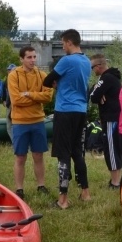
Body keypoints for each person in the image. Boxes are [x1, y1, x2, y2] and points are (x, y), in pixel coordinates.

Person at [43, 29, 92, 209]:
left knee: (63, 154)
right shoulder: (86, 61)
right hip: (81, 110)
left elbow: (47, 81)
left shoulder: (66, 60)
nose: (62, 46)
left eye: (63, 43)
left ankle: (63, 199)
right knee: (77, 152)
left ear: (70, 42)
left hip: (65, 110)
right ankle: (85, 192)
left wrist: (57, 83)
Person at [7, 46, 54, 199]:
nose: (33, 60)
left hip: (38, 120)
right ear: (21, 59)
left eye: (34, 57)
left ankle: (41, 185)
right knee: (20, 157)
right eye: (29, 57)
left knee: (38, 155)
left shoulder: (42, 75)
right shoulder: (14, 76)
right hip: (20, 122)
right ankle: (19, 189)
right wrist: (36, 97)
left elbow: (48, 97)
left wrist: (28, 94)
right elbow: (16, 100)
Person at [89, 53, 122, 189]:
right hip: (113, 118)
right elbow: (94, 92)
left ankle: (115, 182)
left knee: (111, 150)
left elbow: (93, 96)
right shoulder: (111, 77)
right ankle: (115, 180)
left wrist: (96, 92)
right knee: (112, 148)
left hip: (111, 119)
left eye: (93, 68)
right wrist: (96, 90)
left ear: (99, 66)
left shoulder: (106, 78)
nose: (92, 71)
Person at [5, 63, 17, 141]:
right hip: (10, 104)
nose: (9, 72)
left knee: (11, 125)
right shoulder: (8, 80)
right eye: (8, 70)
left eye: (10, 70)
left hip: (13, 105)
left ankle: (15, 142)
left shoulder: (14, 80)